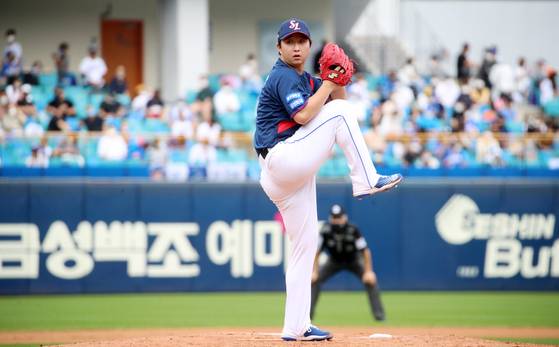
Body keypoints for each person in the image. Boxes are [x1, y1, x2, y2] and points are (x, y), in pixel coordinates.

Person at [254, 18, 402, 342]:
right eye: (289, 41)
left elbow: (341, 104)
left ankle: (296, 327)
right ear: (278, 48)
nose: (295, 46)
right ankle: (366, 179)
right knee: (343, 117)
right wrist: (327, 84)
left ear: (309, 46)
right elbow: (305, 116)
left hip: (287, 174)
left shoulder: (305, 79)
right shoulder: (282, 76)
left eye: (301, 40)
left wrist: (337, 80)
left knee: (304, 250)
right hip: (282, 159)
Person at [311, 204, 385, 322]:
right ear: (330, 218)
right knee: (314, 281)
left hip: (353, 260)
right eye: (334, 217)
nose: (336, 220)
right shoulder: (325, 230)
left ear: (344, 217)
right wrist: (314, 272)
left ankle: (379, 317)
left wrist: (368, 271)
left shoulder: (353, 229)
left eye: (339, 217)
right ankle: (307, 318)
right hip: (333, 261)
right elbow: (316, 251)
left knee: (371, 281)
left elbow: (365, 251)